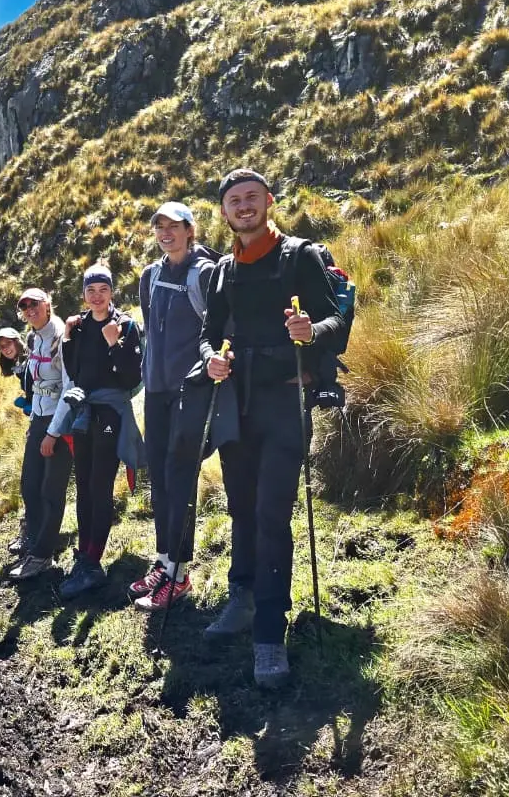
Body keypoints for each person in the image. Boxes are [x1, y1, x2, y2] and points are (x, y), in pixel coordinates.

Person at [199, 168, 346, 688]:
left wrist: (313, 330)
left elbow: (339, 321)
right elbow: (209, 334)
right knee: (240, 507)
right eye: (234, 200)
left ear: (269, 202)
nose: (243, 207)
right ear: (223, 212)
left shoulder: (301, 256)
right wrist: (211, 360)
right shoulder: (220, 271)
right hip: (236, 402)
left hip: (286, 401)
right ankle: (240, 597)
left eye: (251, 198)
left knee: (269, 513)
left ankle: (268, 632)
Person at [131, 201, 217, 611]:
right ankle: (164, 560)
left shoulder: (205, 273)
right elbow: (152, 329)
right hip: (157, 391)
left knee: (180, 477)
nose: (165, 233)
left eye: (174, 226)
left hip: (191, 391)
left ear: (189, 230)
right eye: (158, 227)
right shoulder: (151, 275)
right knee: (160, 479)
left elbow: (216, 330)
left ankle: (179, 575)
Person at [46, 263, 144, 599]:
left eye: (103, 289)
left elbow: (132, 379)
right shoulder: (80, 326)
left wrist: (115, 345)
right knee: (84, 484)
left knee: (100, 485)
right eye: (91, 290)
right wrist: (70, 339)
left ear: (112, 292)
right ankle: (85, 554)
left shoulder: (126, 325)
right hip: (84, 415)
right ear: (84, 294)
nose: (97, 296)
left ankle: (92, 562)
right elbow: (75, 372)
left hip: (110, 414)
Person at [7, 290, 76, 579]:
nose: (29, 310)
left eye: (34, 304)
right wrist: (35, 419)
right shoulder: (35, 338)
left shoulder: (62, 337)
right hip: (39, 419)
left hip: (59, 423)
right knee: (29, 484)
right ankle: (35, 543)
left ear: (47, 305)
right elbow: (36, 384)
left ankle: (42, 555)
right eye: (24, 306)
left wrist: (53, 432)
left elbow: (69, 386)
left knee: (51, 489)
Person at [0, 327, 33, 417]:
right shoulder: (17, 364)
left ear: (17, 341)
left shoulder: (32, 359)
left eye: (9, 342)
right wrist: (28, 400)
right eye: (2, 346)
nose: (6, 348)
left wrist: (34, 404)